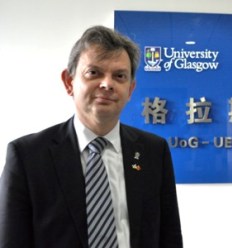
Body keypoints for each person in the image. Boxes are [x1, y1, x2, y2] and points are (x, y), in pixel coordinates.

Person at [0, 25, 183, 248]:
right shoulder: (27, 156)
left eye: (119, 76)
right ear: (69, 82)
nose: (107, 84)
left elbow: (169, 236)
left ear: (130, 90)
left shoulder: (154, 151)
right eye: (94, 73)